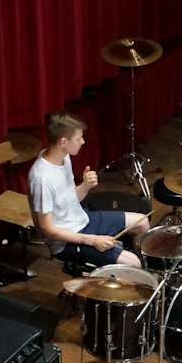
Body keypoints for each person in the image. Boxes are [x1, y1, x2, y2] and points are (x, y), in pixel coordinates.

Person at [27, 111, 149, 268]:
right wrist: (92, 239)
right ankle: (132, 273)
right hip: (66, 242)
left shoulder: (63, 157)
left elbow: (73, 198)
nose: (83, 142)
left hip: (82, 219)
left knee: (142, 222)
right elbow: (47, 229)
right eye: (78, 139)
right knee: (134, 263)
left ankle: (143, 271)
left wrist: (85, 185)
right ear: (63, 141)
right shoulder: (42, 179)